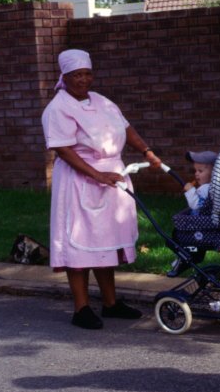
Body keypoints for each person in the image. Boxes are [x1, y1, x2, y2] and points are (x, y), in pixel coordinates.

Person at [41, 48, 162, 330]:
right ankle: (81, 308)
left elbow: (126, 128)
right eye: (76, 75)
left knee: (105, 242)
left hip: (110, 178)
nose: (83, 79)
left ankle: (111, 303)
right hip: (79, 181)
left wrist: (147, 151)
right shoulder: (57, 109)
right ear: (64, 76)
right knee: (79, 244)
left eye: (87, 73)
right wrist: (97, 174)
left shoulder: (102, 101)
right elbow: (63, 150)